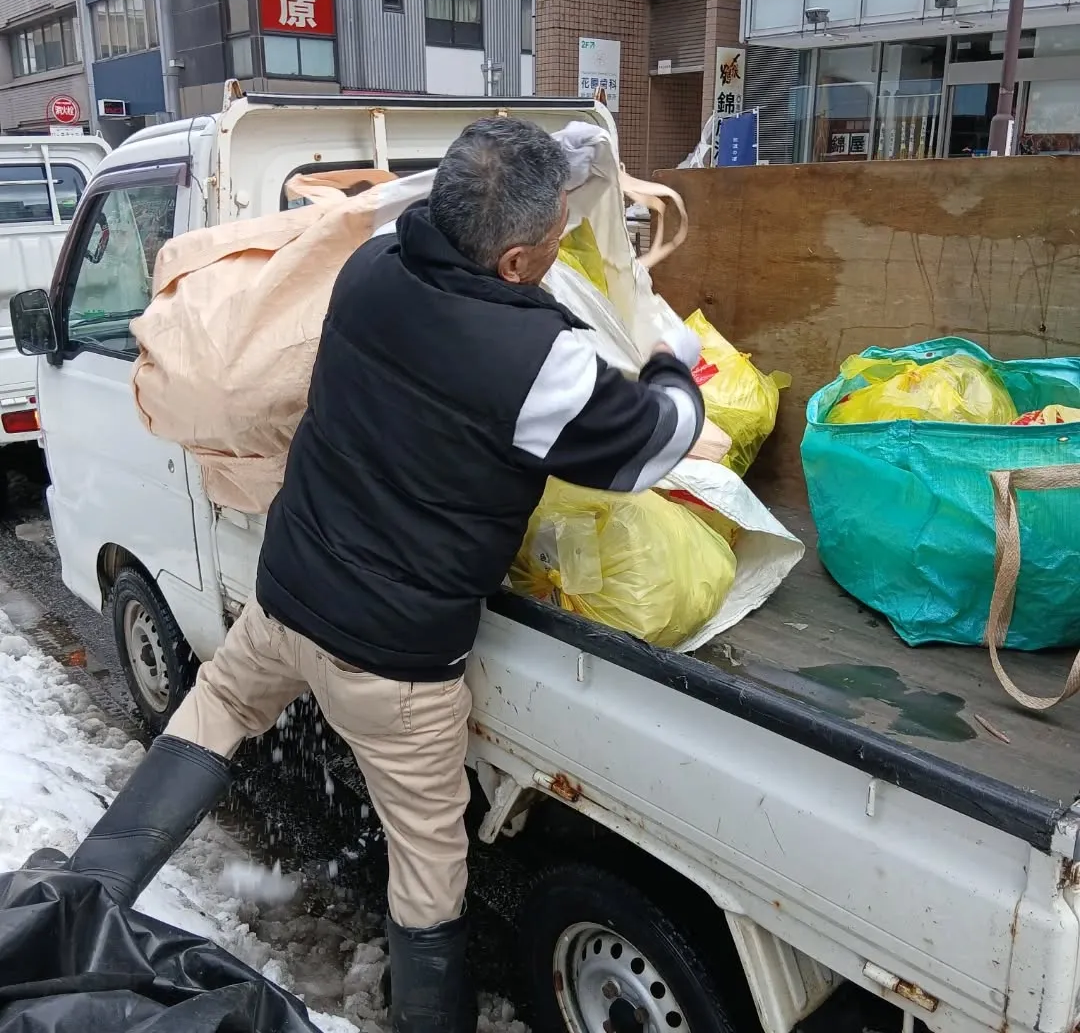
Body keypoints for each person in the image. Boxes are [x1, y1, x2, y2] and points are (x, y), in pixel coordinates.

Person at [56, 118, 705, 1032]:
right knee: (428, 863)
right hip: (393, 669)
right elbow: (651, 443)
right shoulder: (536, 365)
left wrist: (568, 162)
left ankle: (76, 901)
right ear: (518, 262)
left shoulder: (370, 270)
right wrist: (673, 360)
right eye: (561, 226)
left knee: (216, 713)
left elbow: (424, 224)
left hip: (287, 600)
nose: (568, 233)